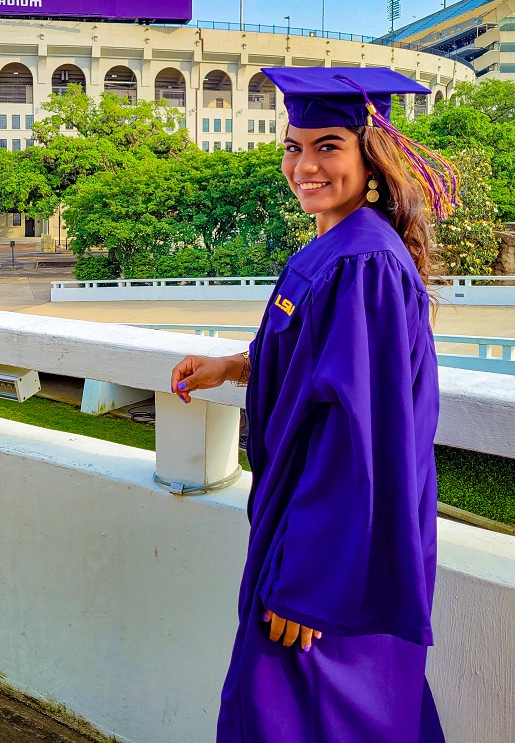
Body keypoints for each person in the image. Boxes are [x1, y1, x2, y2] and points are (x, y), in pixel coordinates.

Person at [170, 67, 459, 743]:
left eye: (328, 145)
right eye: (293, 146)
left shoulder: (364, 264)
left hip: (335, 553)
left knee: (298, 712)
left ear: (370, 157)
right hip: (309, 527)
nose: (304, 164)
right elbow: (322, 368)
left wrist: (309, 581)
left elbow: (356, 431)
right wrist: (238, 366)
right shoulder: (337, 247)